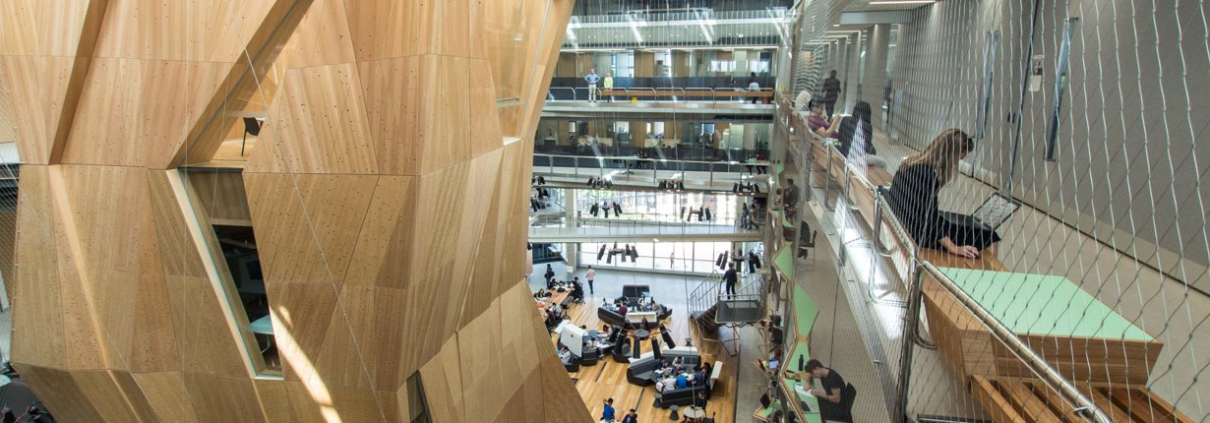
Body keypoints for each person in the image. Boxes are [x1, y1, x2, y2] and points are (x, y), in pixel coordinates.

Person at [886, 129, 1000, 257]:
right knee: (990, 236)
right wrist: (954, 247)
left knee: (964, 227)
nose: (957, 163)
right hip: (917, 233)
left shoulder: (911, 162)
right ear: (952, 154)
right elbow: (930, 220)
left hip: (903, 221)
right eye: (959, 158)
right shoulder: (928, 175)